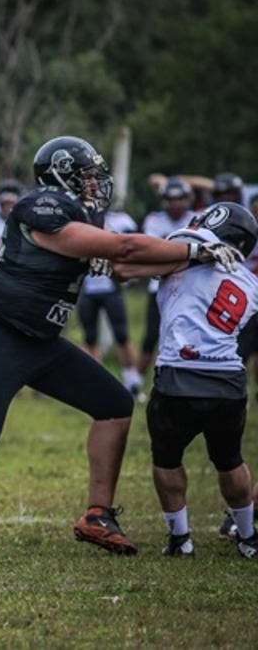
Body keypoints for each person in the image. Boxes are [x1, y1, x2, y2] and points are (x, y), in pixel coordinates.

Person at [0, 135, 242, 556]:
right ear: (62, 176)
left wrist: (198, 258)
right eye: (88, 177)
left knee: (114, 404)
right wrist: (196, 248)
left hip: (40, 341)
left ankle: (98, 514)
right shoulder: (41, 207)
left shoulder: (77, 217)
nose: (96, 186)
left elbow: (125, 266)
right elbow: (124, 247)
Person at [113, 202, 258, 558]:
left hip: (179, 374)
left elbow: (123, 268)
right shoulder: (251, 283)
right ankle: (248, 536)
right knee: (230, 459)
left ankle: (180, 538)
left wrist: (193, 254)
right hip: (227, 378)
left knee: (166, 458)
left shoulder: (190, 242)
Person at [76, 205, 144, 400]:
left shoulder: (120, 220)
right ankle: (97, 385)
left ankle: (132, 383)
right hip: (87, 288)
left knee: (121, 335)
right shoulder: (78, 221)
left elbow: (135, 246)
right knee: (90, 338)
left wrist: (133, 272)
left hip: (111, 288)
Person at [137, 178, 195, 385]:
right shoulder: (154, 220)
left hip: (188, 289)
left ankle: (180, 379)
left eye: (180, 199)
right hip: (159, 287)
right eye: (172, 199)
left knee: (185, 336)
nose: (176, 204)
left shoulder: (196, 218)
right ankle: (135, 383)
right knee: (152, 335)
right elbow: (152, 251)